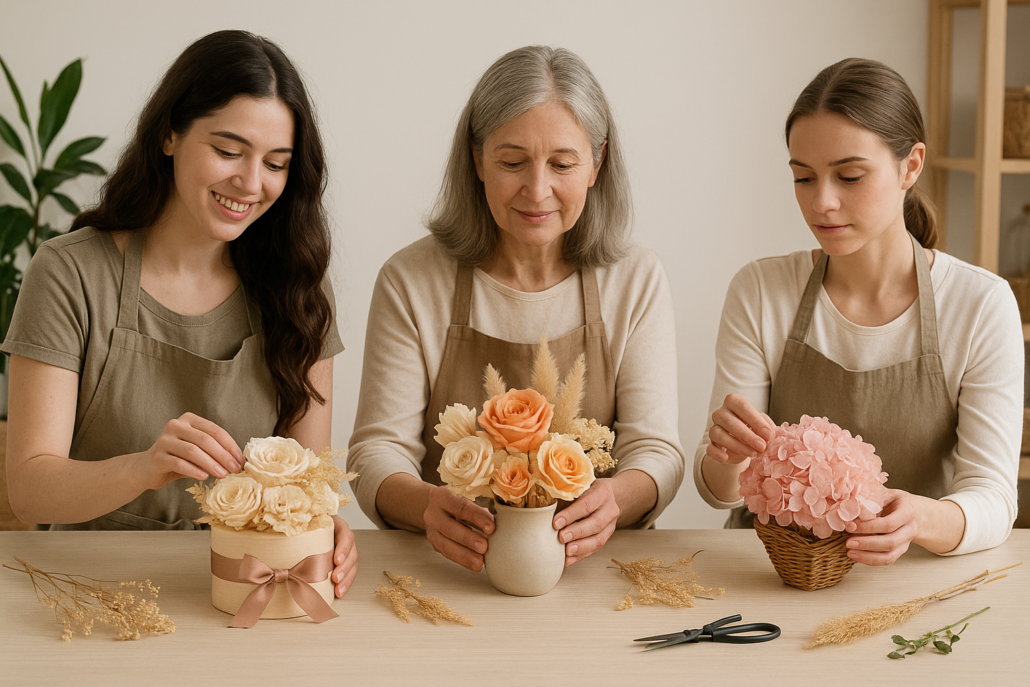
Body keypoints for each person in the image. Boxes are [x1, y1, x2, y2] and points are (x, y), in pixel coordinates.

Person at [3, 30, 358, 597]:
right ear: (169, 134)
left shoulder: (299, 287)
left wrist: (323, 529)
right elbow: (27, 488)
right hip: (86, 588)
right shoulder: (69, 273)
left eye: (276, 163)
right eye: (227, 151)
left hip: (246, 587)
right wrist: (143, 467)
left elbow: (311, 481)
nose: (251, 183)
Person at [347, 46, 685, 573]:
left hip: (596, 571)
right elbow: (376, 452)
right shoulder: (411, 280)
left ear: (597, 162)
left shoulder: (635, 278)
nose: (537, 189)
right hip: (450, 570)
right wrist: (427, 506)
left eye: (563, 164)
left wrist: (615, 500)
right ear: (476, 159)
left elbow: (656, 451)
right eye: (512, 162)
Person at [695, 58, 1022, 565]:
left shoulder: (980, 304)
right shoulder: (760, 290)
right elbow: (722, 493)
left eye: (849, 176)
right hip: (774, 573)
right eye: (804, 178)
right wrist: (725, 457)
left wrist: (920, 518)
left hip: (909, 577)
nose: (822, 202)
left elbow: (994, 500)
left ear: (910, 166)